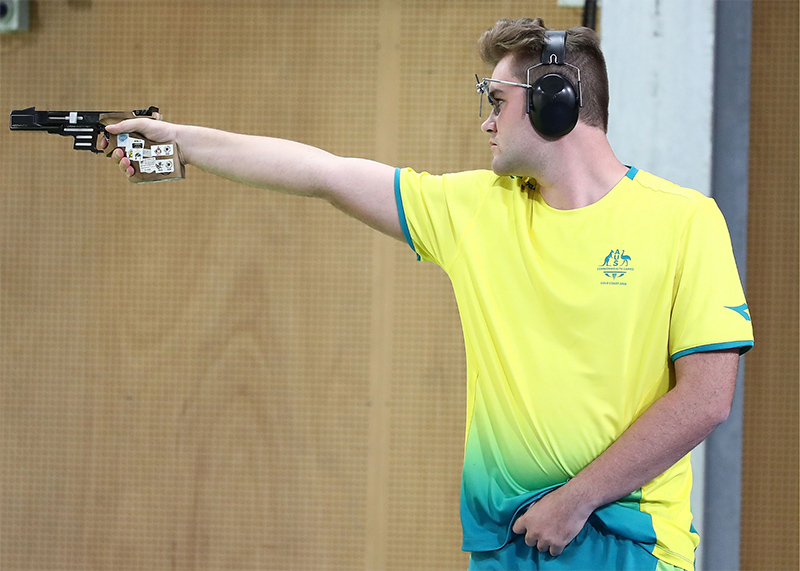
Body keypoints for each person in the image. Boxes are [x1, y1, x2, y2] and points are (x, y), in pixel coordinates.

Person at [103, 17, 753, 571]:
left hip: (631, 548)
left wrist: (576, 499)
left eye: (497, 101)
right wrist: (180, 142)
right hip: (507, 542)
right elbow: (324, 174)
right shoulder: (474, 210)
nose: (486, 123)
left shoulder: (684, 220)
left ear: (555, 101)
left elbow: (704, 398)